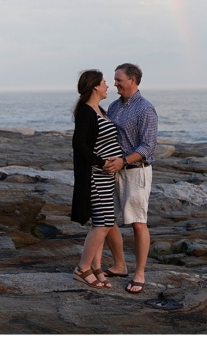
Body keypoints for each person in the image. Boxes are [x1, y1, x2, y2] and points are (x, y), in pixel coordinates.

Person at [101, 63, 158, 294]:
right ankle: (119, 265)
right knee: (106, 218)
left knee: (137, 222)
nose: (115, 84)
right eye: (114, 80)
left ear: (132, 80)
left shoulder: (146, 109)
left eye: (119, 80)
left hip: (136, 171)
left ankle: (140, 274)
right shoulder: (114, 106)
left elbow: (148, 146)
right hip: (115, 171)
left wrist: (124, 161)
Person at [70, 70, 123, 288]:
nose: (108, 86)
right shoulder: (85, 112)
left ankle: (96, 267)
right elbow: (79, 144)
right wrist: (102, 163)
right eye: (103, 83)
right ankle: (82, 268)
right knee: (102, 224)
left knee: (104, 221)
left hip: (105, 177)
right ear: (94, 87)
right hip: (94, 175)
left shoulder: (99, 110)